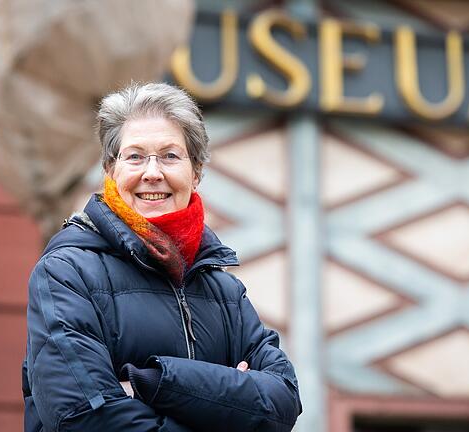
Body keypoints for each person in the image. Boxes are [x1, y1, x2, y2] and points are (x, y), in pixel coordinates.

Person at [21, 82, 302, 432]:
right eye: (135, 156)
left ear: (196, 172)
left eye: (170, 155)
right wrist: (224, 397)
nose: (152, 172)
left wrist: (150, 382)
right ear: (111, 170)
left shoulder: (225, 292)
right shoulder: (66, 273)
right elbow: (84, 417)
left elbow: (283, 402)